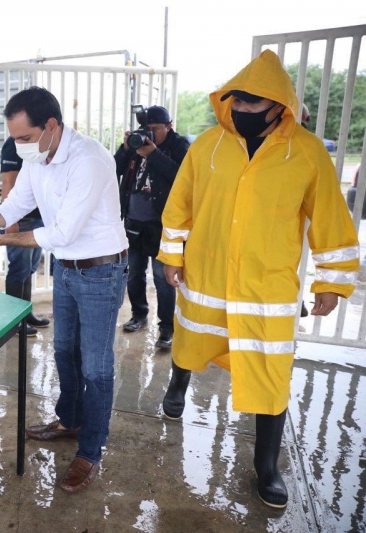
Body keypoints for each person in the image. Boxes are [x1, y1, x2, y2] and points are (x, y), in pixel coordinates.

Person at [157, 50, 359, 508]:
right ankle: (177, 387)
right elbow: (180, 203)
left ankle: (266, 467)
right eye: (238, 104)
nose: (243, 113)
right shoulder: (207, 146)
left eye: (253, 106)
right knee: (191, 341)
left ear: (279, 106)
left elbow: (330, 219)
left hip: (266, 290)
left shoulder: (306, 153)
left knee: (271, 376)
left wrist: (332, 281)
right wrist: (172, 253)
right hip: (206, 276)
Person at [0, 87, 128, 493]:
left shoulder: (89, 160)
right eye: (13, 138)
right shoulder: (39, 158)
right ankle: (70, 421)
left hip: (100, 272)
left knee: (96, 366)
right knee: (63, 350)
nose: (19, 147)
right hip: (67, 270)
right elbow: (17, 205)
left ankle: (90, 451)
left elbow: (62, 231)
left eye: (24, 138)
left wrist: (1, 241)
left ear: (51, 126)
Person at [115, 105, 189, 350]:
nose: (150, 134)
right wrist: (126, 149)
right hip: (134, 222)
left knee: (162, 278)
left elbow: (182, 178)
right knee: (134, 273)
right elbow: (112, 169)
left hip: (163, 226)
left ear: (169, 126)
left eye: (155, 129)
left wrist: (153, 153)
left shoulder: (180, 146)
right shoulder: (137, 144)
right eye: (147, 129)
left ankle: (167, 328)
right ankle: (139, 315)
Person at [0, 135, 51, 336]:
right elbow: (8, 181)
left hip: (37, 217)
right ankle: (14, 323)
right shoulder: (14, 145)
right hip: (21, 219)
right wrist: (9, 220)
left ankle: (25, 314)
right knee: (18, 270)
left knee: (29, 268)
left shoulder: (40, 144)